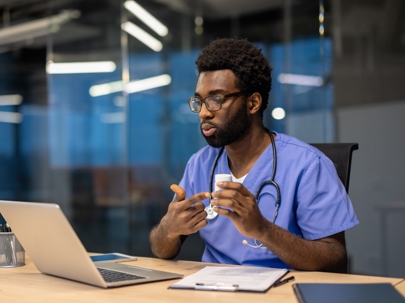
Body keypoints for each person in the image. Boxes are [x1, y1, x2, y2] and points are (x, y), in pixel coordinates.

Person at [149, 38, 358, 273]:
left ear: (253, 103)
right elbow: (162, 250)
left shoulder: (308, 165)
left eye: (216, 100)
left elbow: (336, 260)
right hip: (211, 291)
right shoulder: (200, 163)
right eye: (199, 101)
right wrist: (169, 228)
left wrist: (263, 230)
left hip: (281, 291)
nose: (204, 113)